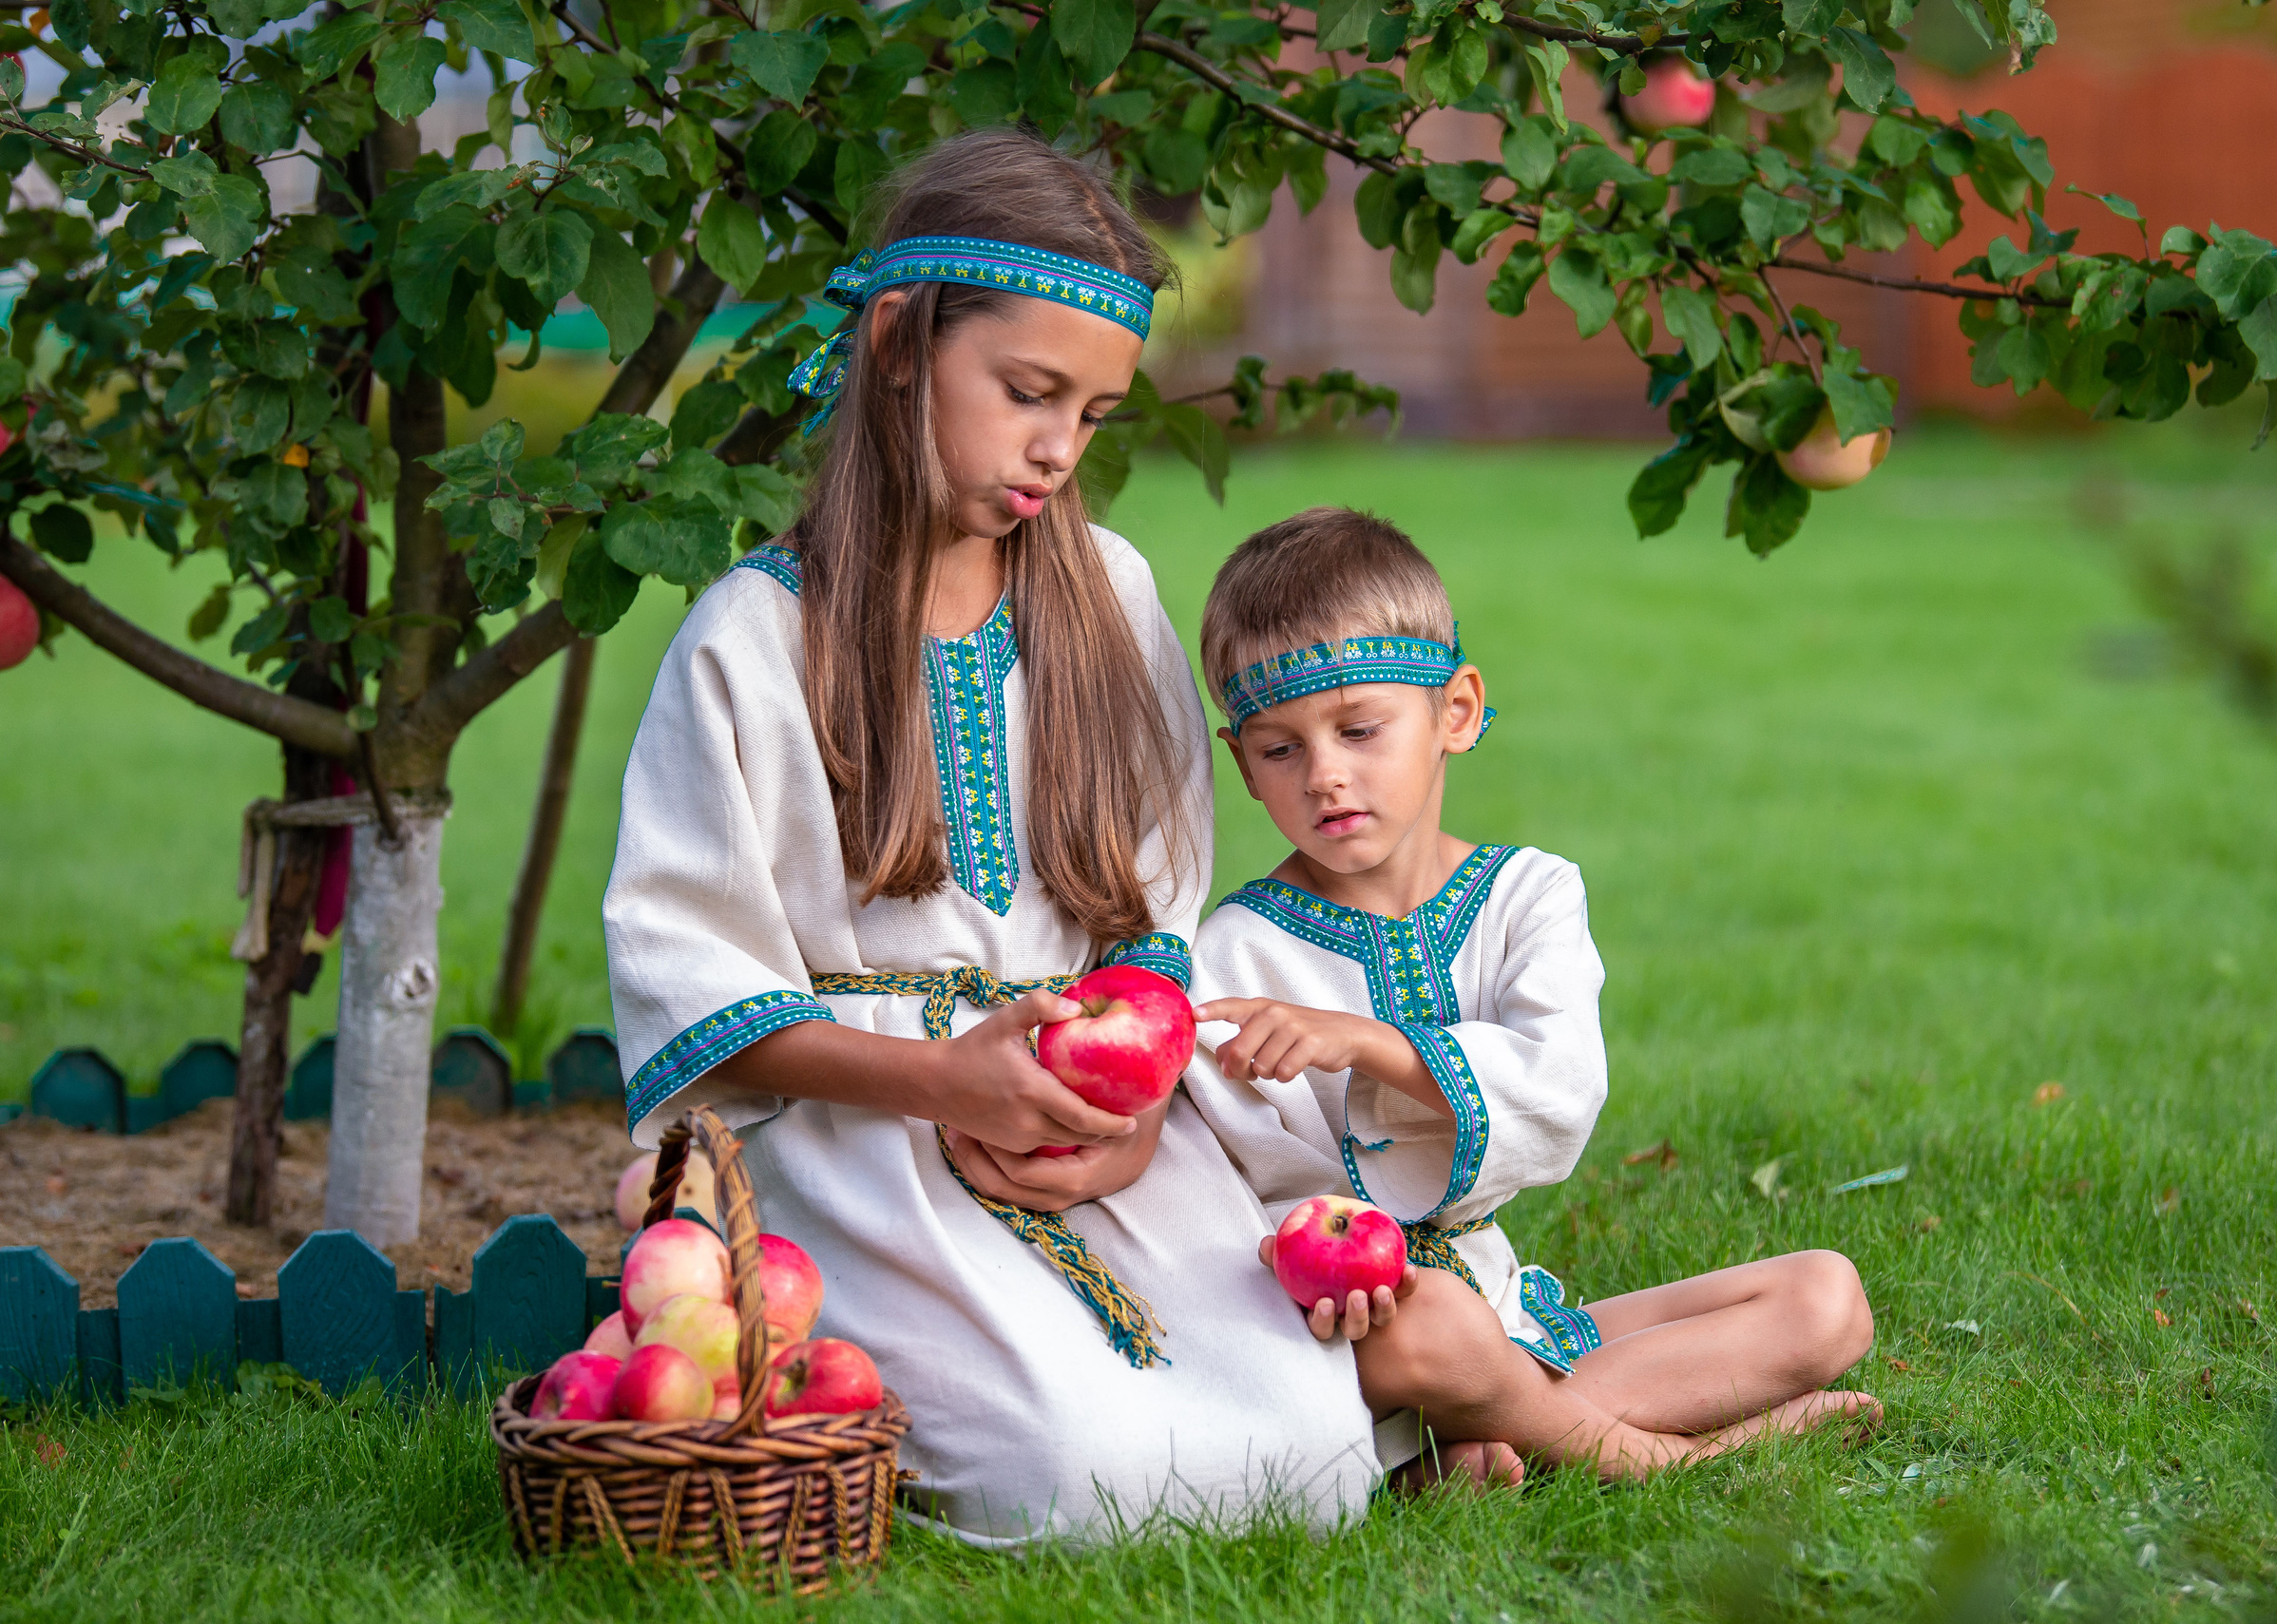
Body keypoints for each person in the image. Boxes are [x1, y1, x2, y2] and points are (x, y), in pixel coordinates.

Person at [603, 131, 1378, 1544]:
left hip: (1096, 1119)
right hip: (865, 1135)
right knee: (1080, 1480)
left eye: (1091, 415)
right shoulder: (756, 639)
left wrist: (1133, 1117)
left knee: (1319, 1460)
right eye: (1028, 394)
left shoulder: (1110, 596)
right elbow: (691, 980)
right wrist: (942, 1080)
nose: (1056, 450)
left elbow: (1152, 914)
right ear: (900, 344)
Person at [1186, 507, 1880, 1486]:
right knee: (1431, 1332)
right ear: (1239, 759)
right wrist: (1333, 1277)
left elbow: (1558, 1093)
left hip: (1503, 1303)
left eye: (1358, 728)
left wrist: (1369, 1043)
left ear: (1456, 711)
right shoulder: (1233, 952)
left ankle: (1489, 1436)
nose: (1325, 774)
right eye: (1278, 748)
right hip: (1374, 1334)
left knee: (1827, 1296)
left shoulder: (1530, 893)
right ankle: (1648, 1456)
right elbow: (1252, 1184)